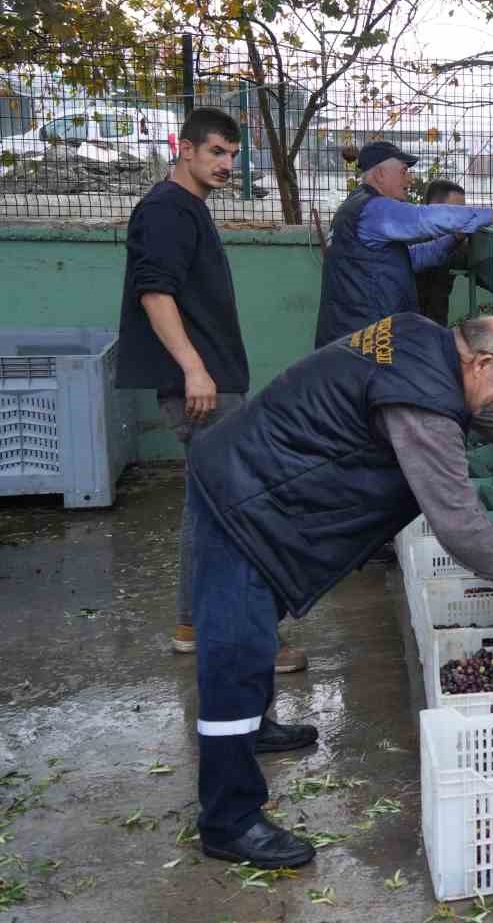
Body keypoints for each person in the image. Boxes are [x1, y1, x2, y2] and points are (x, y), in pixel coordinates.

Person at [185, 313, 493, 868]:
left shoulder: (424, 340)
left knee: (257, 628)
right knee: (235, 654)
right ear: (481, 362)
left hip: (261, 479)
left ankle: (255, 729)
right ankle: (229, 819)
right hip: (244, 499)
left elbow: (488, 408)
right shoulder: (423, 406)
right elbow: (458, 524)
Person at [115, 107, 307, 674]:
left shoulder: (186, 209)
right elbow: (155, 294)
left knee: (210, 512)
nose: (228, 163)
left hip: (213, 385)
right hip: (202, 389)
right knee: (234, 513)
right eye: (217, 152)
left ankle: (194, 626)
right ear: (187, 151)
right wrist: (195, 369)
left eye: (232, 153)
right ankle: (244, 641)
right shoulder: (168, 211)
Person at [313, 142, 493, 348]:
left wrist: (454, 238)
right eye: (403, 171)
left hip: (356, 339)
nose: (409, 180)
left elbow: (412, 259)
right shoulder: (373, 209)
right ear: (380, 174)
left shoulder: (355, 209)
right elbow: (423, 219)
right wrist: (492, 215)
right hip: (361, 343)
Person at [416, 178, 468, 325]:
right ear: (434, 208)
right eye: (455, 211)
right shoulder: (415, 241)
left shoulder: (450, 243)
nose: (461, 218)